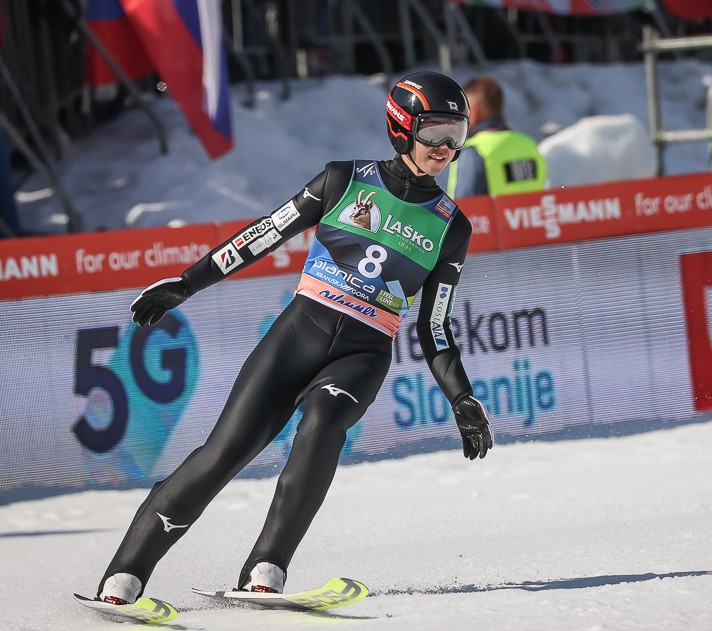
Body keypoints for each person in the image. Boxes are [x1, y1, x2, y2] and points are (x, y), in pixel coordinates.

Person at [94, 71, 495, 604]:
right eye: (434, 132)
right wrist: (186, 284)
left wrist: (461, 397)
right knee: (224, 453)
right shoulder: (342, 179)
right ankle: (125, 575)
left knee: (322, 428)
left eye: (456, 133)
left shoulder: (451, 226)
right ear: (402, 127)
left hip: (363, 353)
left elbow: (435, 324)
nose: (445, 147)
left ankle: (267, 566)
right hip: (298, 334)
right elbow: (265, 233)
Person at [446, 75, 546, 199]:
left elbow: (466, 204)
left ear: (474, 112)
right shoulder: (529, 145)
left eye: (463, 110)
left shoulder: (475, 150)